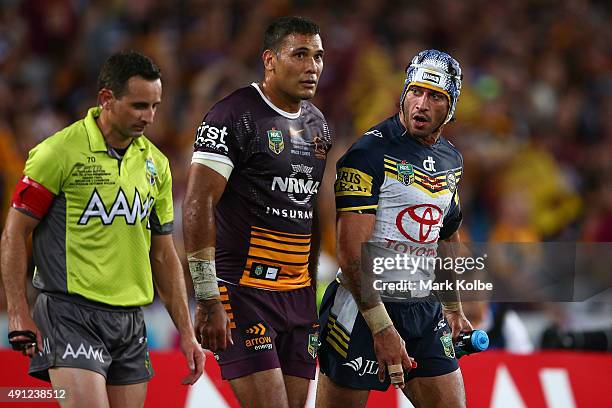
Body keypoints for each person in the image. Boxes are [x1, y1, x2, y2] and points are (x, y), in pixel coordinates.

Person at [1, 51, 204, 407]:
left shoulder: (156, 164)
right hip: (68, 314)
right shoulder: (58, 153)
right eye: (139, 105)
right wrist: (18, 309)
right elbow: (14, 233)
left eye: (155, 106)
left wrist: (186, 333)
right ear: (106, 100)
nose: (150, 116)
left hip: (130, 320)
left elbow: (163, 253)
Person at [182, 16, 331, 408]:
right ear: (269, 59)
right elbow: (198, 203)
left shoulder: (318, 126)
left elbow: (308, 212)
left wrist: (311, 288)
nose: (311, 66)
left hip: (298, 298)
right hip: (244, 293)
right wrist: (207, 296)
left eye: (317, 56)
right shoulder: (231, 116)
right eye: (299, 54)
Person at [316, 49, 473, 407]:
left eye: (435, 96)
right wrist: (382, 327)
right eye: (415, 91)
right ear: (403, 93)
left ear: (449, 108)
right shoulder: (367, 153)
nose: (421, 103)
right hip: (362, 310)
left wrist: (452, 307)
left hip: (422, 306)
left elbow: (447, 232)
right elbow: (350, 253)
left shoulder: (452, 159)